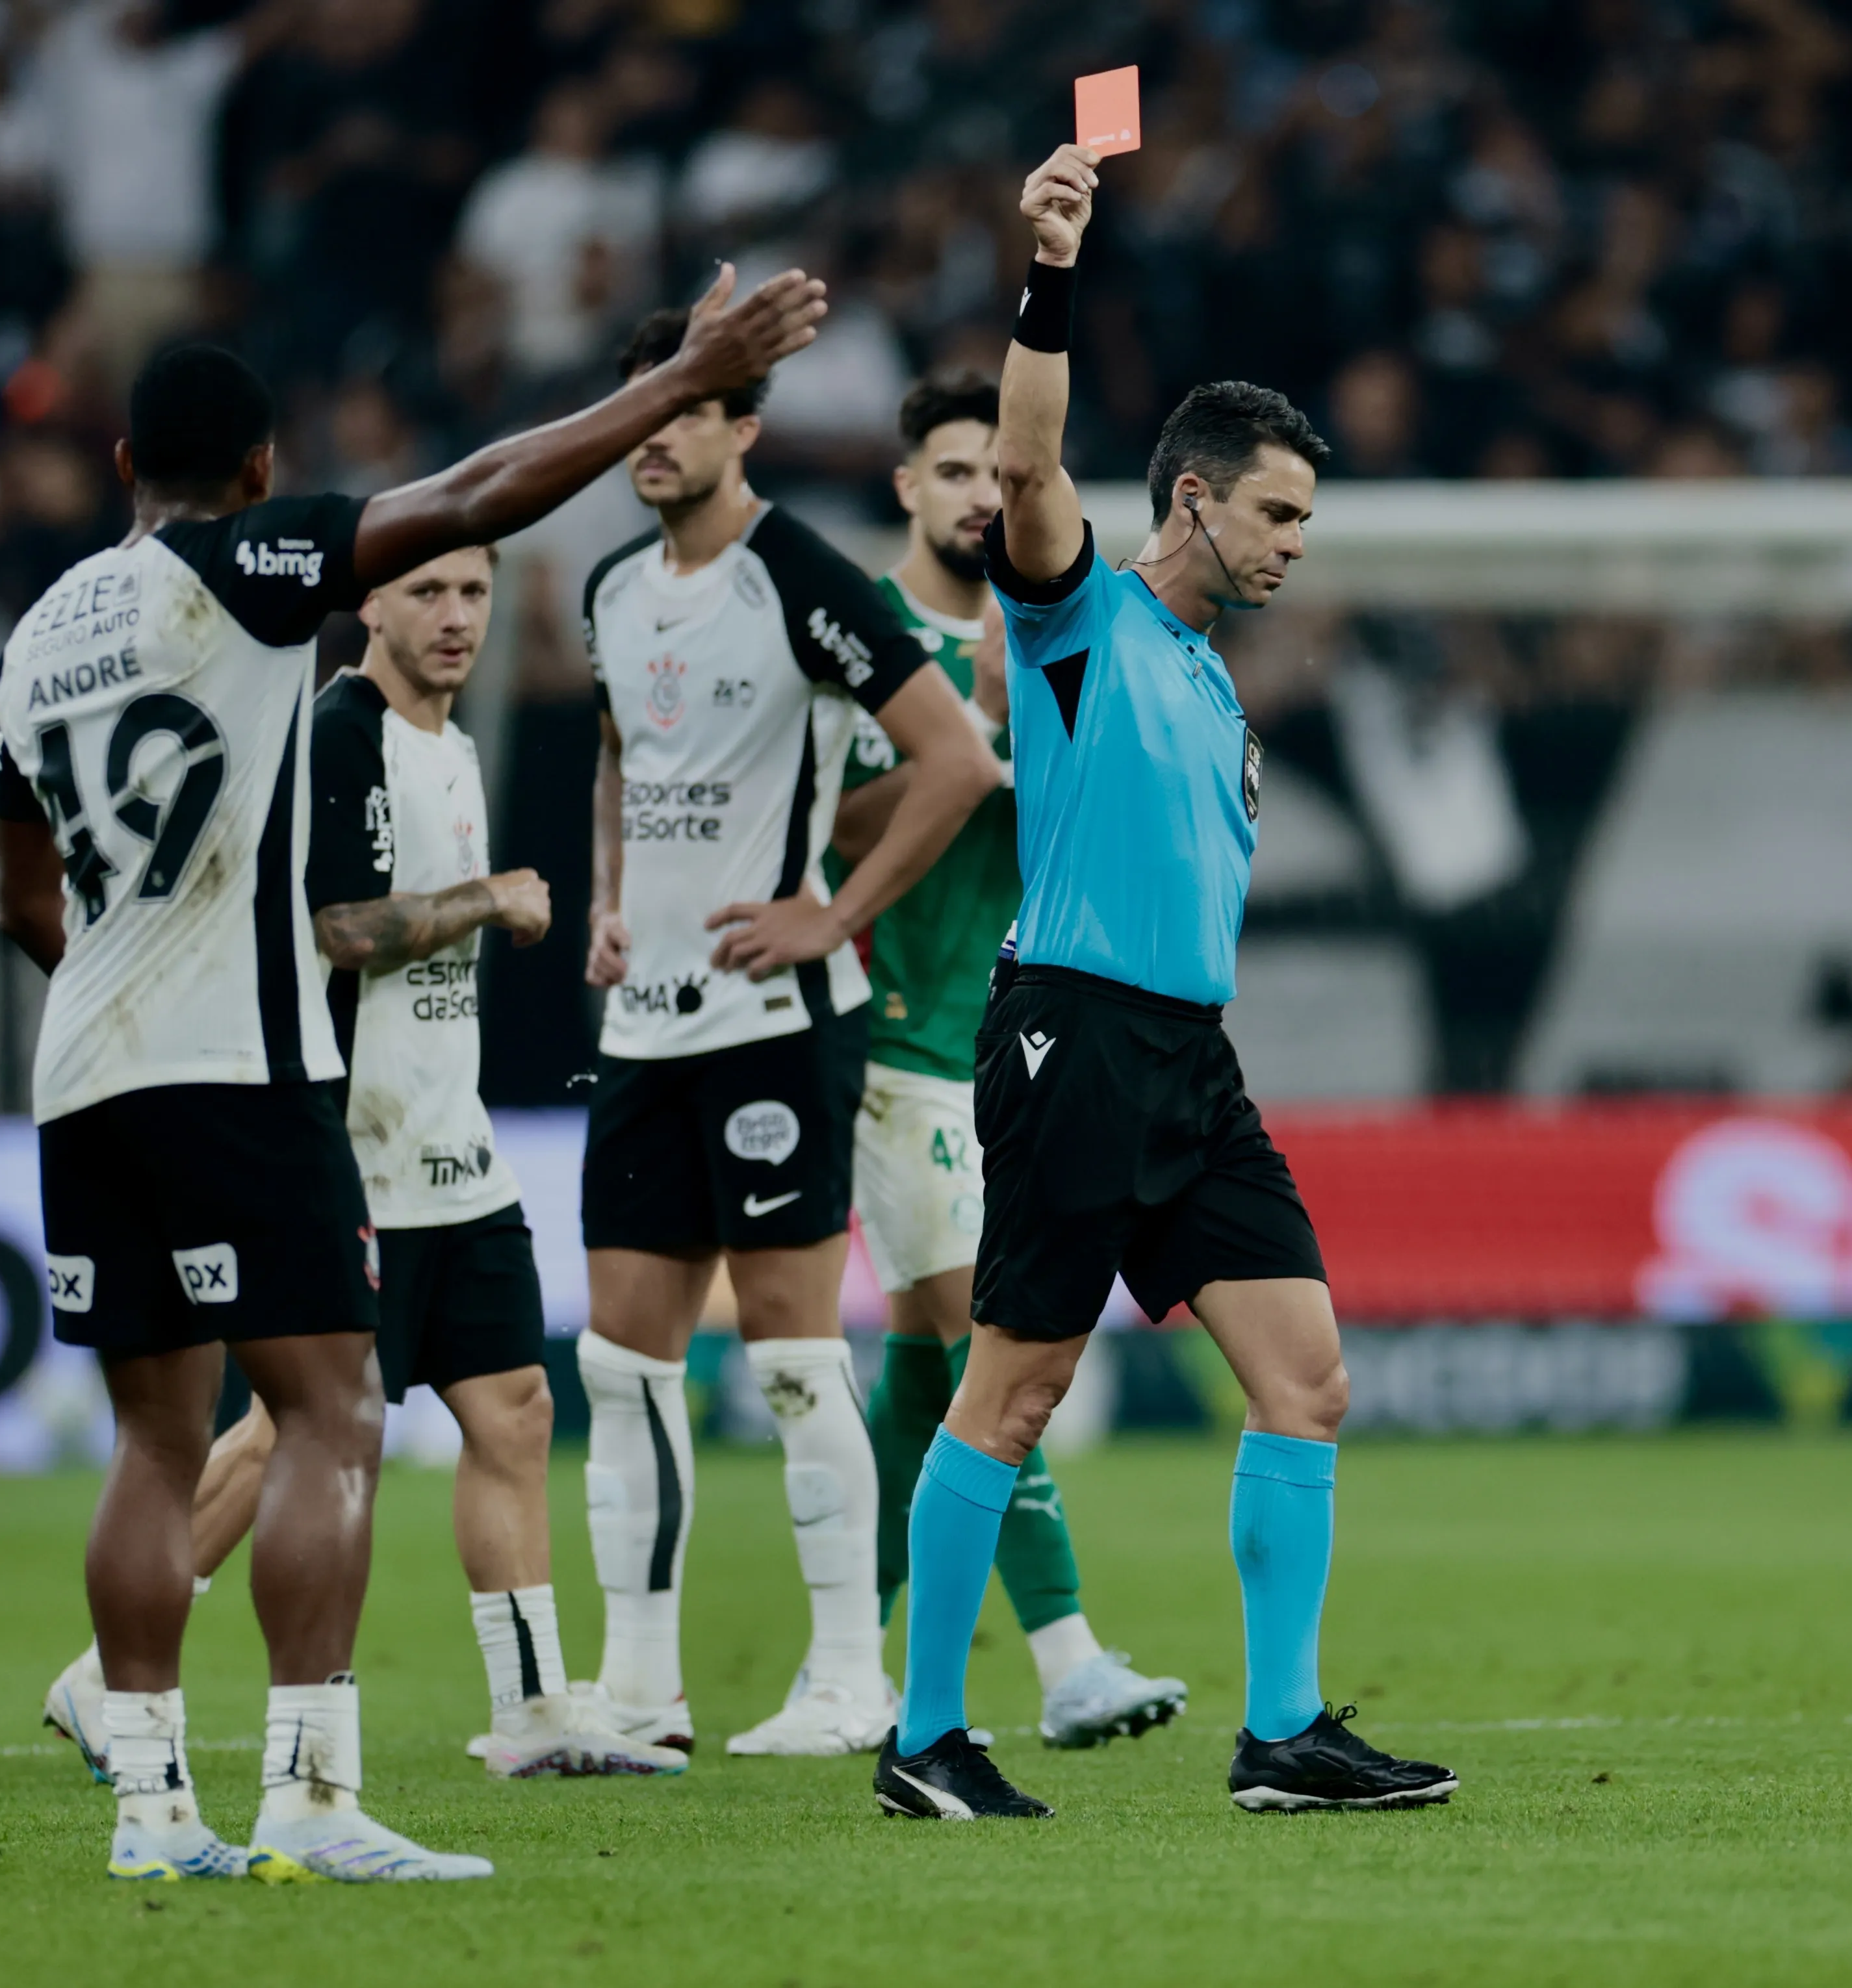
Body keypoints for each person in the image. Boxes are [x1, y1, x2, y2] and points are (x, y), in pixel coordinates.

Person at [0, 265, 826, 1882]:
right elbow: (473, 490)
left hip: (85, 1070)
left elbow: (26, 900)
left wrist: (124, 986)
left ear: (114, 468)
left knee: (155, 1443)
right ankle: (309, 1792)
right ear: (256, 474)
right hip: (241, 1069)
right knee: (333, 1413)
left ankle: (156, 1812)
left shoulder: (37, 638)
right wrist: (677, 385)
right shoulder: (240, 567)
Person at [872, 145, 1457, 1821]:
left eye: (1307, 521)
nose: (1295, 543)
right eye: (1277, 510)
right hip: (1070, 1034)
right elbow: (1034, 459)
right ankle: (923, 1739)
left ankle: (1282, 1737)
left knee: (1308, 1377)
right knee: (1015, 1387)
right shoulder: (1083, 625)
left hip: (1190, 1063)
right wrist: (1052, 271)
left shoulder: (1207, 683)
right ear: (1194, 496)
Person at [38, 544, 685, 1786]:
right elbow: (336, 930)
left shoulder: (451, 743)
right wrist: (488, 901)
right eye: (427, 592)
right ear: (369, 604)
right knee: (291, 1433)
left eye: (475, 594)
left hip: (453, 1142)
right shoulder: (339, 735)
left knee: (513, 1407)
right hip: (349, 1147)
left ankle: (533, 1710)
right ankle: (101, 1672)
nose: (455, 619)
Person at [575, 307, 999, 1761]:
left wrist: (833, 911)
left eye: (688, 408)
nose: (658, 433)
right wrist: (609, 901)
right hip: (648, 1025)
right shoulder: (614, 591)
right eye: (643, 407)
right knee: (622, 1363)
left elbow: (953, 760)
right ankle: (638, 1695)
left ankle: (845, 1680)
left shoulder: (803, 578)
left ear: (743, 429)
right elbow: (625, 752)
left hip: (778, 1023)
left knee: (794, 1352)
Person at [828, 370, 1187, 1750]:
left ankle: (840, 1650)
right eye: (953, 470)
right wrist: (963, 746)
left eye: (999, 472)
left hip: (1020, 1039)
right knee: (990, 1335)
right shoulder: (863, 627)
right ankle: (1066, 1658)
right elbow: (832, 821)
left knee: (934, 1369)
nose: (983, 493)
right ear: (907, 484)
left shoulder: (1050, 630)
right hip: (899, 1028)